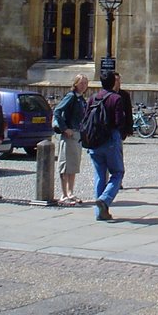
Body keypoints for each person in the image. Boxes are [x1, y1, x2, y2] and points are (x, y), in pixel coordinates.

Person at [88, 70, 126, 221]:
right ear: (113, 82)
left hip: (94, 142)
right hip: (110, 140)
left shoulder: (92, 98)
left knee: (99, 176)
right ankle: (105, 199)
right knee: (117, 173)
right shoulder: (116, 98)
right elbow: (118, 122)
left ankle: (100, 213)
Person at [53, 73, 89, 204]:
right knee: (65, 165)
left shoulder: (81, 99)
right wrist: (64, 128)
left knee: (73, 165)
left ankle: (70, 192)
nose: (84, 86)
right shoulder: (71, 97)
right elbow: (57, 111)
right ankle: (63, 194)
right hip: (69, 134)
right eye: (81, 83)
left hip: (77, 134)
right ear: (75, 84)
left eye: (85, 83)